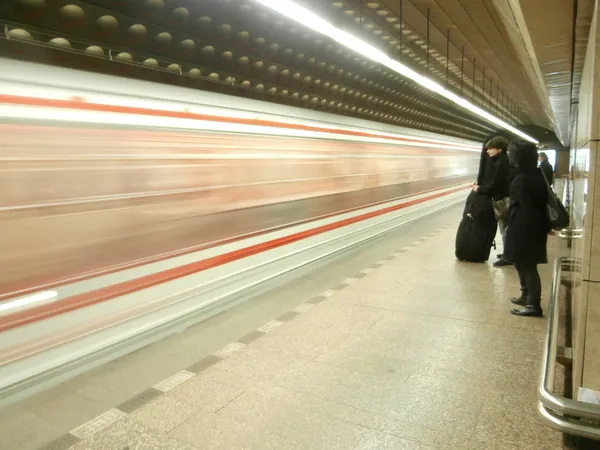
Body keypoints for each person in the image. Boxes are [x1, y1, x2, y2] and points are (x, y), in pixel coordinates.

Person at [504, 140, 551, 317]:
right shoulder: (535, 173)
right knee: (521, 262)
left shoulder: (523, 179)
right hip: (530, 226)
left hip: (525, 227)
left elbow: (526, 206)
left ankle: (534, 305)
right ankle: (526, 295)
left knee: (528, 266)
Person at [473, 136, 510, 267]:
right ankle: (507, 252)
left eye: (490, 148)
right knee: (504, 227)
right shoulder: (502, 160)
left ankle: (508, 257)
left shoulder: (501, 163)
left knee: (505, 228)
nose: (488, 151)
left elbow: (495, 184)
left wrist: (480, 189)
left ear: (499, 149)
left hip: (503, 199)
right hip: (502, 197)